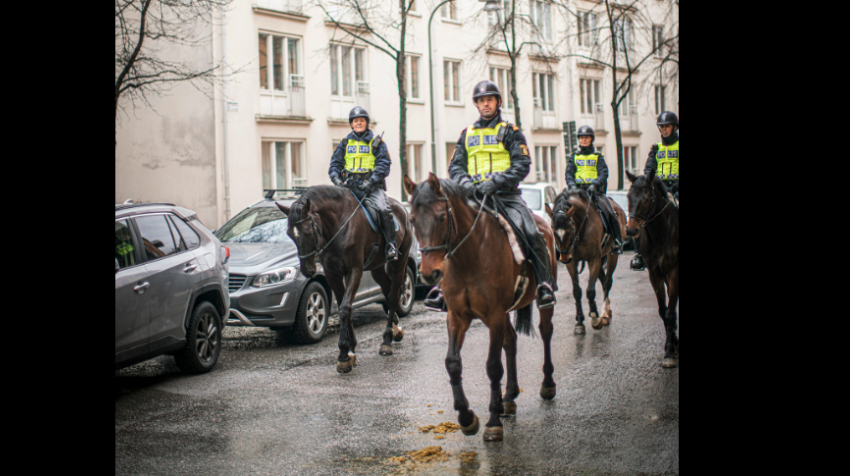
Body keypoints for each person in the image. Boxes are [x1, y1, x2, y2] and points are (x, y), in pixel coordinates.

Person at [423, 80, 556, 311]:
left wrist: (495, 182)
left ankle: (544, 284)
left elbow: (521, 164)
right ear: (476, 104)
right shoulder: (467, 134)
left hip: (506, 196)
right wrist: (465, 182)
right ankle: (442, 289)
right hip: (474, 196)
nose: (486, 104)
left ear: (498, 102)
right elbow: (455, 166)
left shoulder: (510, 132)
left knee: (532, 231)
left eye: (490, 100)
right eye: (482, 100)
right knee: (449, 230)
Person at [328, 106, 399, 261]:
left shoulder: (377, 143)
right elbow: (334, 165)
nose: (359, 123)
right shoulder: (345, 143)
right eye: (355, 121)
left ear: (367, 123)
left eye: (362, 120)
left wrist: (372, 181)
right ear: (351, 124)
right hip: (349, 187)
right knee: (329, 212)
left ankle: (391, 246)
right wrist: (336, 180)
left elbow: (384, 165)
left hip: (370, 187)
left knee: (383, 209)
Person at [564, 125, 624, 254]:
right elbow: (569, 174)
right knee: (561, 211)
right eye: (581, 138)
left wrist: (595, 184)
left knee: (610, 211)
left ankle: (617, 240)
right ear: (578, 140)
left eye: (586, 138)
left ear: (591, 139)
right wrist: (572, 185)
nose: (584, 140)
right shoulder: (574, 157)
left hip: (594, 192)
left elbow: (603, 173)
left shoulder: (598, 156)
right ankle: (562, 241)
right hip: (577, 192)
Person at [631, 110, 678, 271]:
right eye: (662, 127)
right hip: (660, 188)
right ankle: (639, 255)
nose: (664, 129)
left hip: (676, 187)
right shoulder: (656, 148)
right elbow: (649, 168)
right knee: (641, 215)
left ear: (674, 127)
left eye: (667, 126)